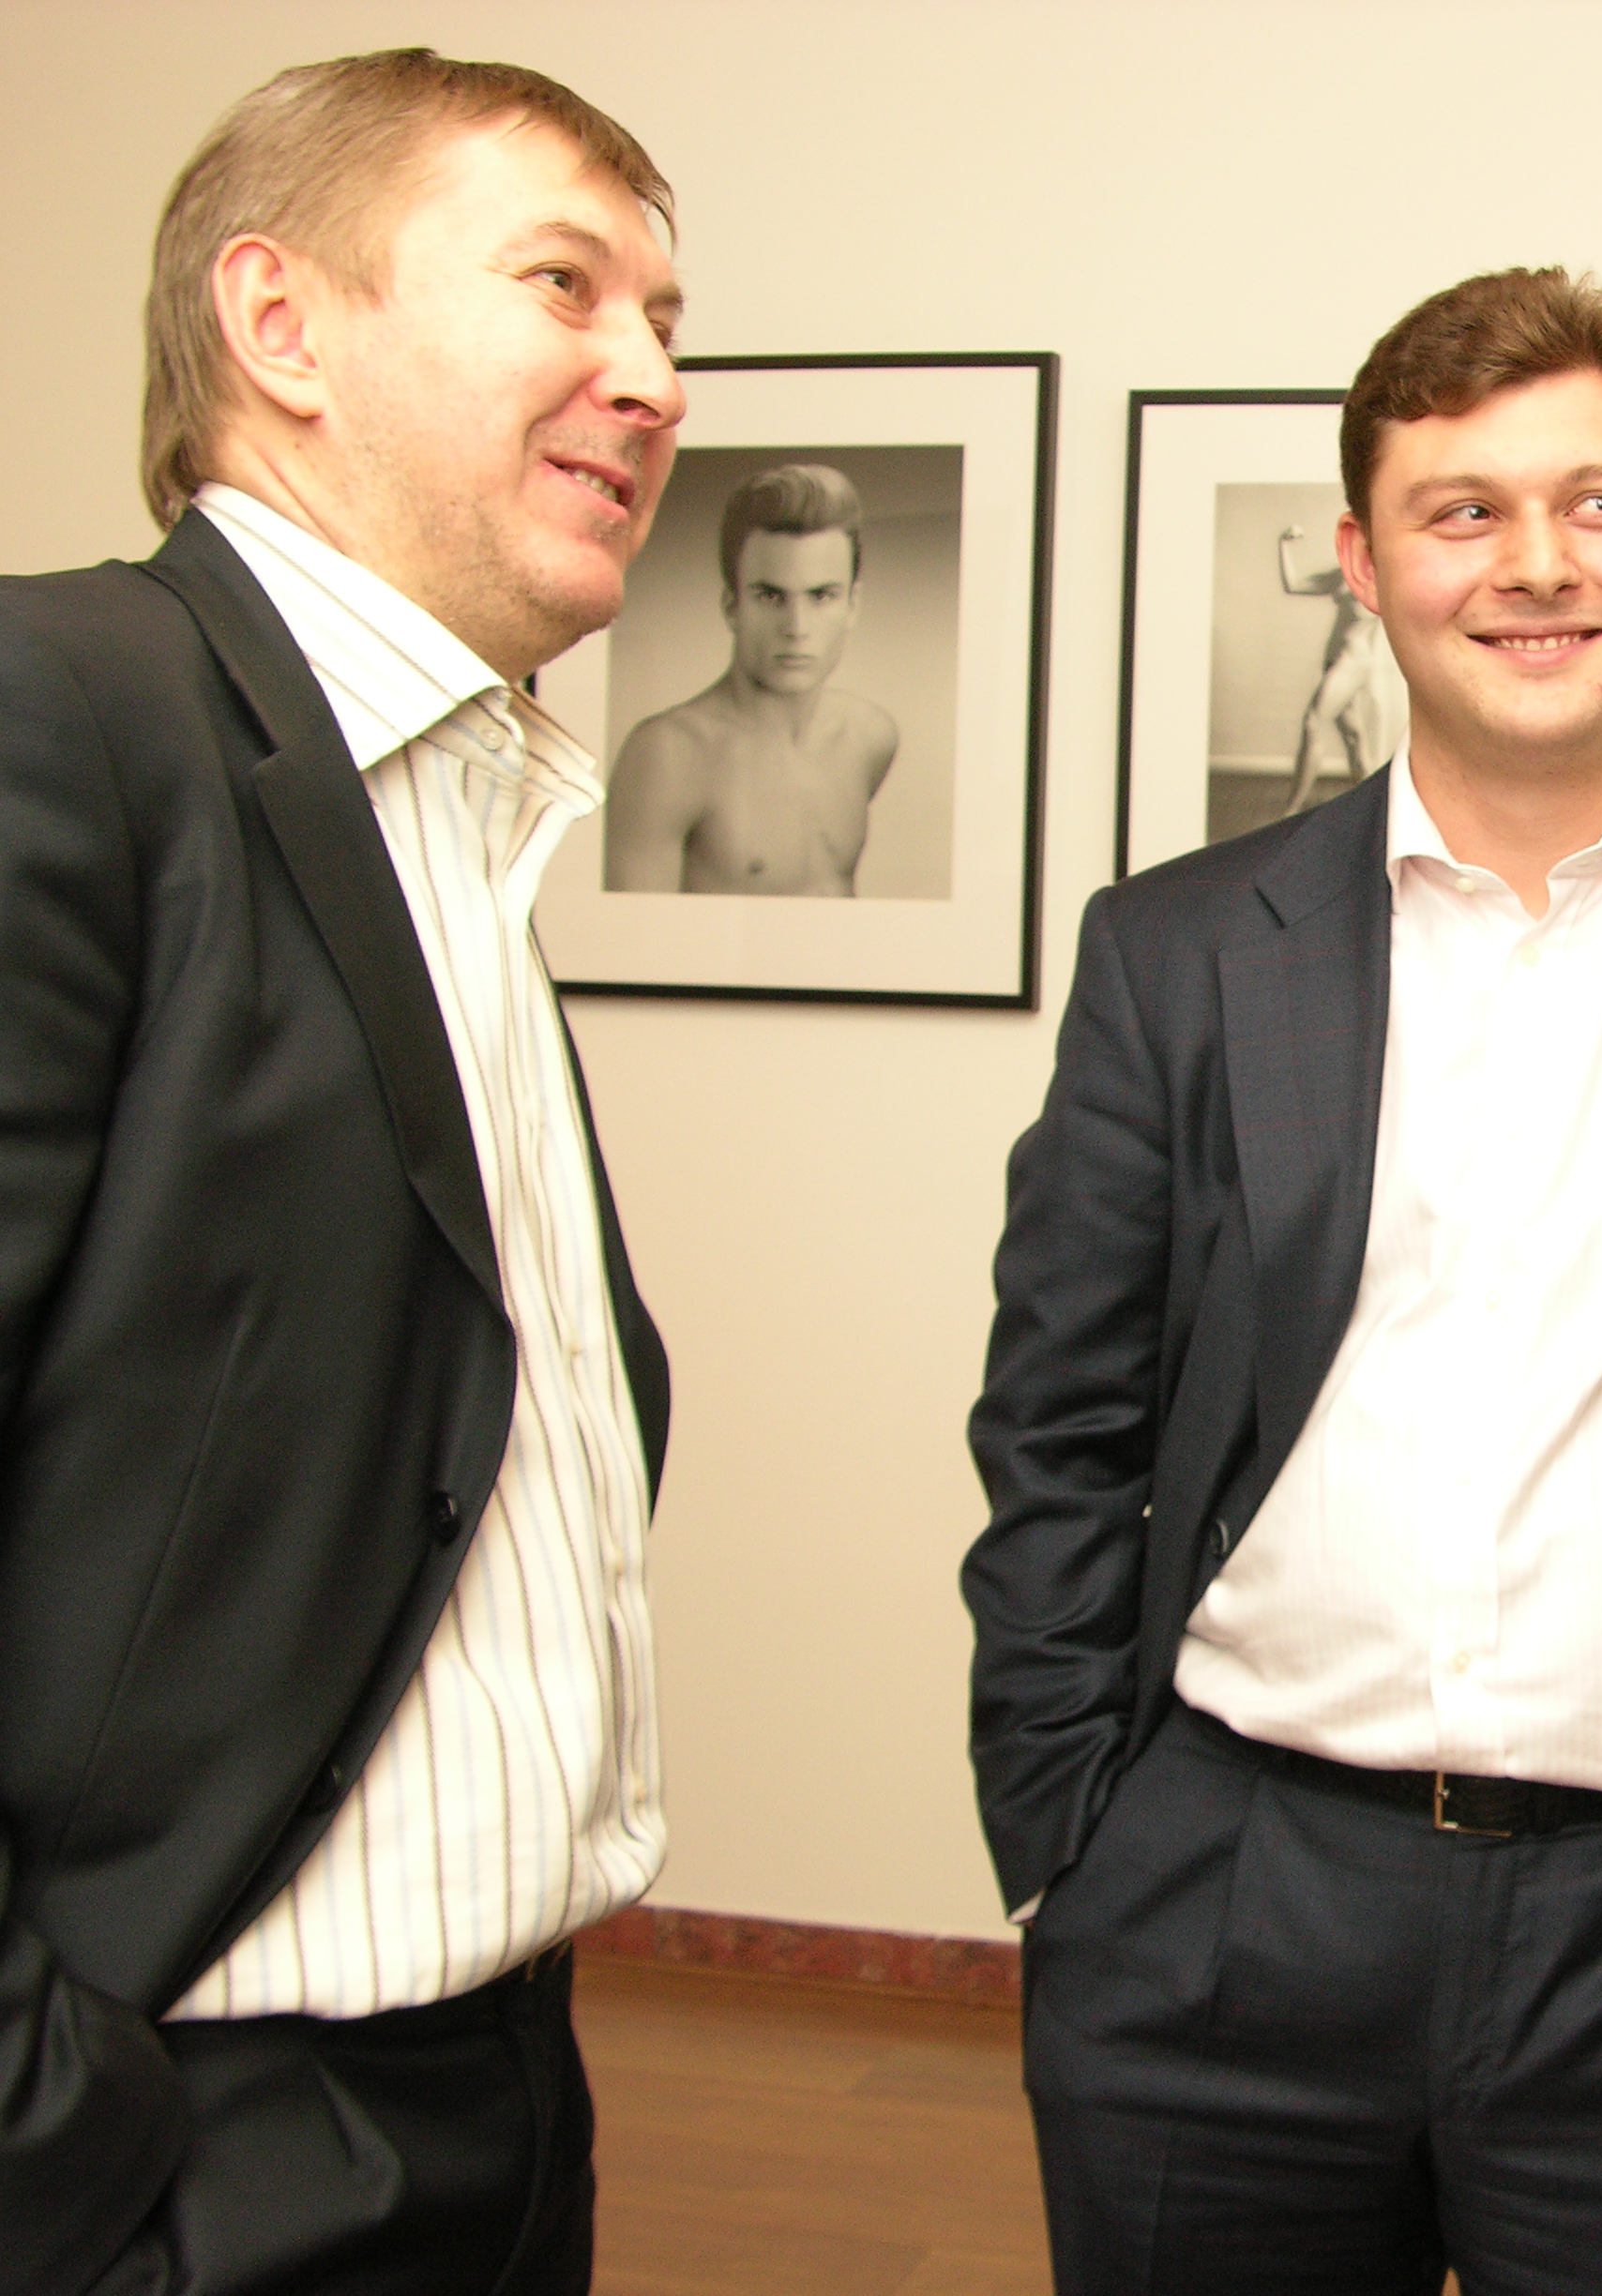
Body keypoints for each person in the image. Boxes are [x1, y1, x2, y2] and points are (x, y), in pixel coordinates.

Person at [964, 266, 1602, 2295]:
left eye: (1599, 504)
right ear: (1364, 562)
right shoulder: (1176, 955)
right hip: (1219, 1908)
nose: (1536, 564)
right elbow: (1060, 1427)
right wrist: (1069, 1848)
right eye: (1462, 511)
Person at [0, 50, 682, 2296]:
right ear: (280, 325)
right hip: (184, 2140)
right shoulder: (60, 715)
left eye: (668, 321)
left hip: (501, 2087)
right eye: (565, 285)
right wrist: (47, 2137)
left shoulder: (455, 819)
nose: (651, 377)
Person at [604, 461, 899, 895]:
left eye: (821, 596)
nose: (796, 627)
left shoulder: (871, 736)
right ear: (732, 606)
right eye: (771, 596)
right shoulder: (668, 756)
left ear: (852, 605)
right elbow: (630, 934)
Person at [1273, 518, 1404, 816]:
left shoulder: (1386, 581)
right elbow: (1293, 586)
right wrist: (1283, 545)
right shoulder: (1344, 574)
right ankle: (1381, 813)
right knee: (1355, 738)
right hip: (1333, 660)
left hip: (1352, 663)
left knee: (1313, 722)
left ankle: (1291, 812)